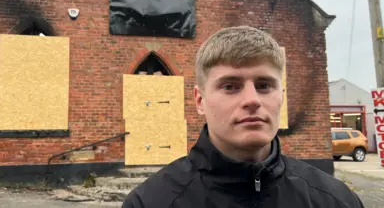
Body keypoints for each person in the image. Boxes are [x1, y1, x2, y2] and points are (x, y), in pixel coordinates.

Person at [121, 26, 364, 208]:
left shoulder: (336, 200)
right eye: (230, 86)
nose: (252, 99)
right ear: (199, 101)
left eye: (264, 85)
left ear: (281, 95)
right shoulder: (150, 202)